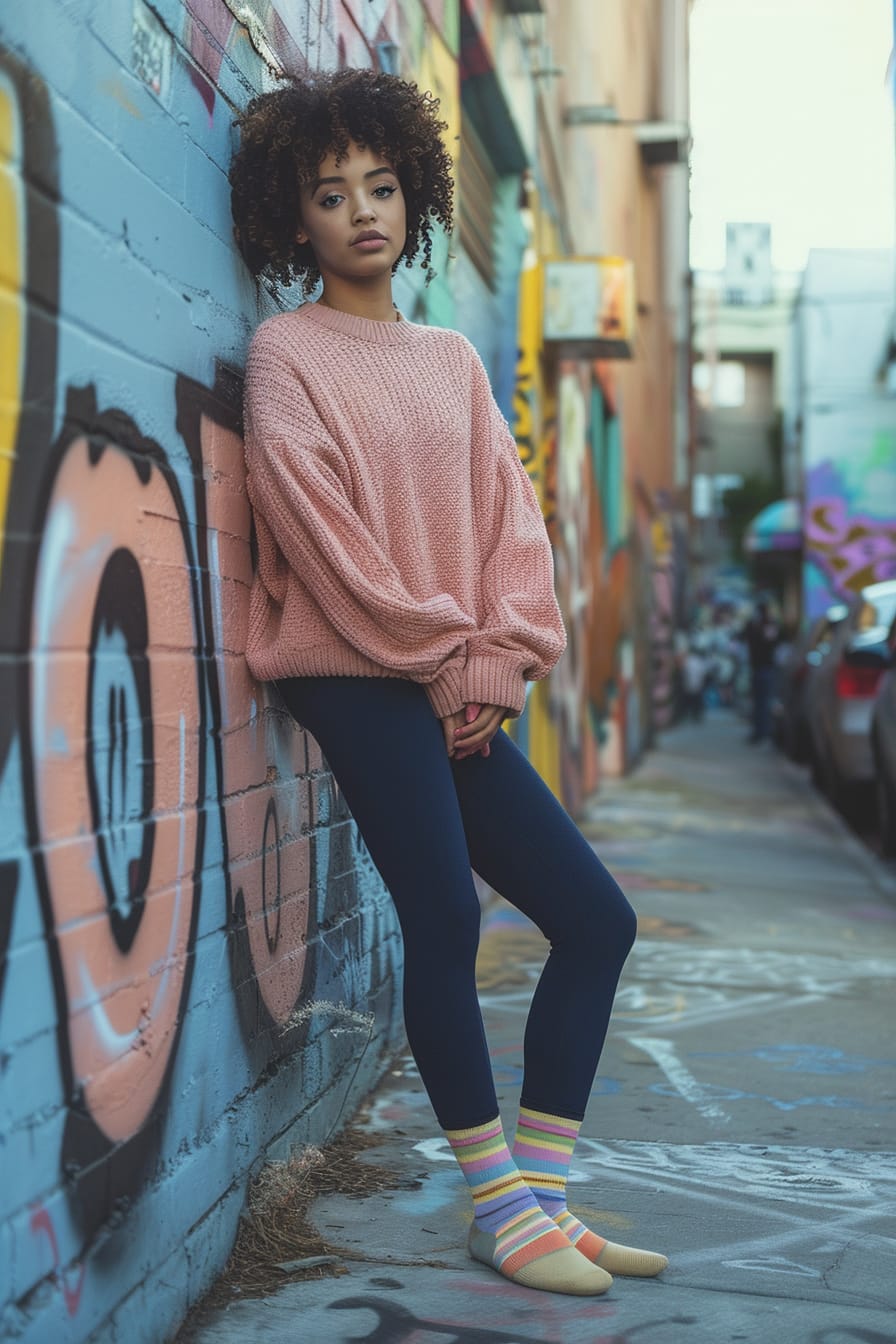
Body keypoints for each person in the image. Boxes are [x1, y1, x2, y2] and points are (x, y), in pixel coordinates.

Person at [228, 67, 667, 1297]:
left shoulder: (449, 361)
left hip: (452, 679)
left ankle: (535, 1198)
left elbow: (510, 532)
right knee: (447, 918)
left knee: (595, 920)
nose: (360, 210)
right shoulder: (284, 356)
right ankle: (495, 1203)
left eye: (380, 185)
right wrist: (439, 660)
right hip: (357, 673)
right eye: (329, 193)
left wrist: (499, 657)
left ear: (415, 196)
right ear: (291, 218)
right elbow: (320, 539)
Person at [739, 597, 782, 743]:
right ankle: (761, 731)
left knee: (762, 702)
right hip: (761, 668)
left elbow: (773, 642)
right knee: (761, 701)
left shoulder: (765, 625)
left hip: (763, 668)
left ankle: (762, 731)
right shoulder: (758, 626)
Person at [681, 643, 708, 721]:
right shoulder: (699, 661)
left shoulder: (687, 661)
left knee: (691, 701)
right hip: (698, 685)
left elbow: (684, 673)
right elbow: (704, 673)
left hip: (689, 685)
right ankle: (697, 715)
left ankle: (693, 715)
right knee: (698, 701)